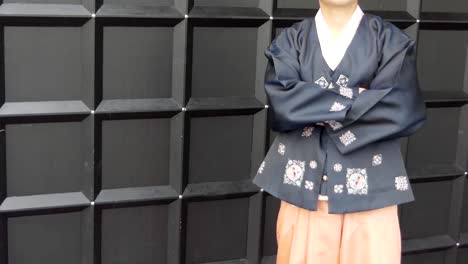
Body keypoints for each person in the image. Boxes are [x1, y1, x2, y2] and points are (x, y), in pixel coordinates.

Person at [251, 0, 427, 263]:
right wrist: (360, 97)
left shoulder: (390, 41)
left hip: (371, 196)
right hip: (305, 193)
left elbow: (401, 109)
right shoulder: (290, 41)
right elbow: (285, 104)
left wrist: (313, 104)